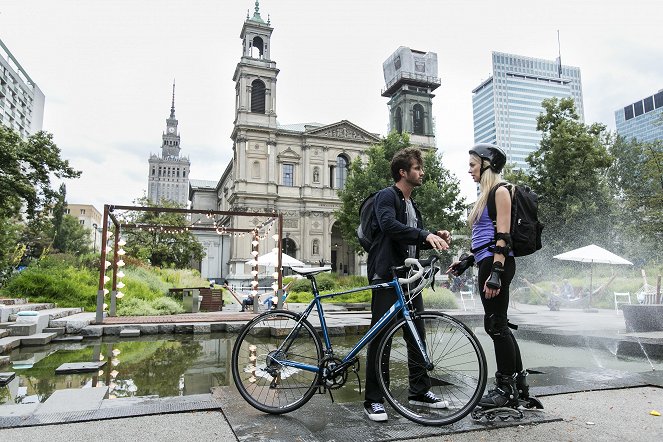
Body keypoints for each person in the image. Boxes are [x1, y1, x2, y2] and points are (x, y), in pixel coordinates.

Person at [364, 147, 451, 422]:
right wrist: (425, 235)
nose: (422, 172)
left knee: (417, 335)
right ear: (403, 172)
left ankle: (419, 391)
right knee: (381, 338)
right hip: (387, 277)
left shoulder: (413, 205)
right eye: (417, 168)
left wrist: (433, 235)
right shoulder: (387, 196)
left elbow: (411, 237)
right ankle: (374, 400)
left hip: (410, 280)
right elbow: (389, 226)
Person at [447, 143, 534, 410]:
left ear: (486, 165)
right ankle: (518, 385)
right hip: (488, 261)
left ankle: (505, 389)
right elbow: (484, 239)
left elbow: (503, 237)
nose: (469, 170)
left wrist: (496, 273)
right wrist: (467, 261)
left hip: (499, 263)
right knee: (499, 325)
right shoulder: (486, 195)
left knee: (496, 325)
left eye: (473, 164)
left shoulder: (501, 191)